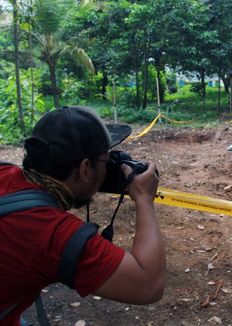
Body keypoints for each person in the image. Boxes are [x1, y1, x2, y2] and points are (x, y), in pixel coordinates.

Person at [0, 106, 165, 325]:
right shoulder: (54, 234)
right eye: (107, 162)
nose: (109, 169)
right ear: (85, 169)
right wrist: (143, 199)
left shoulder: (4, 172)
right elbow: (148, 285)